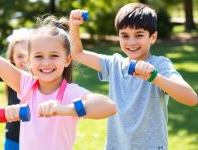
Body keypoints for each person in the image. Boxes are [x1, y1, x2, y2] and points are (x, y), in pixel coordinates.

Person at [0, 11, 117, 150]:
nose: (46, 62)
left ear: (67, 59)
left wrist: (65, 109)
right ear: (29, 60)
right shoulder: (26, 85)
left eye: (54, 55)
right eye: (39, 56)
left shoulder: (70, 93)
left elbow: (109, 107)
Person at [69, 3, 198, 150]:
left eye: (139, 35)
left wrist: (154, 77)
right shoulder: (114, 64)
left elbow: (191, 98)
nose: (131, 42)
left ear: (153, 37)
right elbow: (77, 53)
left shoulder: (160, 65)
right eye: (125, 35)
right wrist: (74, 26)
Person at [2, 28, 31, 150]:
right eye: (20, 56)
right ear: (12, 59)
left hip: (34, 139)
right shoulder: (10, 76)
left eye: (28, 55)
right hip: (13, 137)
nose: (25, 60)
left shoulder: (41, 78)